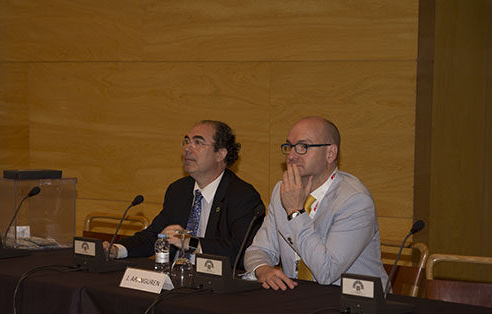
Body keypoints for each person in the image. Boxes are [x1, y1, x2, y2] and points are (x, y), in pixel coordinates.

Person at [244, 116, 388, 290]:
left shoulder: (355, 201)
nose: (291, 155)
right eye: (289, 146)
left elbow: (326, 272)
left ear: (330, 154)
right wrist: (263, 269)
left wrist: (296, 212)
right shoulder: (282, 191)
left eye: (303, 147)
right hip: (299, 297)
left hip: (354, 300)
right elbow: (258, 250)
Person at [104, 120, 264, 268]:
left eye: (198, 142)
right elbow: (155, 236)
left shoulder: (242, 196)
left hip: (213, 282)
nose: (187, 149)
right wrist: (117, 249)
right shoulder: (179, 190)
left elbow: (244, 251)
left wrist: (192, 243)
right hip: (175, 277)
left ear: (220, 154)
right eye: (187, 141)